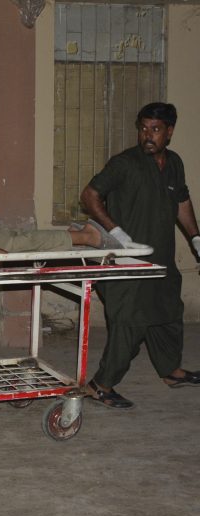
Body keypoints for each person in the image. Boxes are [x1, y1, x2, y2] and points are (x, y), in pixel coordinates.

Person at [79, 102, 200, 409]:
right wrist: (115, 231)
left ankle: (171, 371)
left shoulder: (174, 163)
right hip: (126, 262)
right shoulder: (125, 164)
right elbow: (89, 195)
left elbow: (182, 201)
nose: (147, 136)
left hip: (160, 258)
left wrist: (196, 238)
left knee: (169, 312)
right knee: (130, 323)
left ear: (169, 132)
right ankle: (100, 385)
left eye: (155, 130)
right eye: (143, 128)